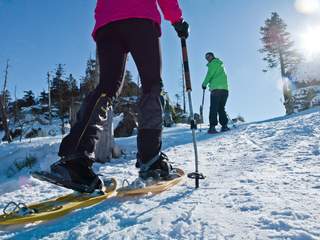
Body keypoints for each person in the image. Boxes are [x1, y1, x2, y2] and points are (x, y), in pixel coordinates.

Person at [46, 0, 189, 192]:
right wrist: (177, 19)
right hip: (140, 18)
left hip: (108, 24)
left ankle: (75, 160)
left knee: (106, 88)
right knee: (151, 86)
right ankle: (151, 160)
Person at [202, 52, 230, 134]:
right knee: (221, 107)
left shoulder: (213, 64)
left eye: (208, 56)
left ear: (212, 56)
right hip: (225, 90)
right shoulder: (220, 64)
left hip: (216, 89)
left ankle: (212, 127)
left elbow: (209, 74)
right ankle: (224, 126)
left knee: (214, 108)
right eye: (206, 57)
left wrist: (204, 84)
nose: (207, 58)